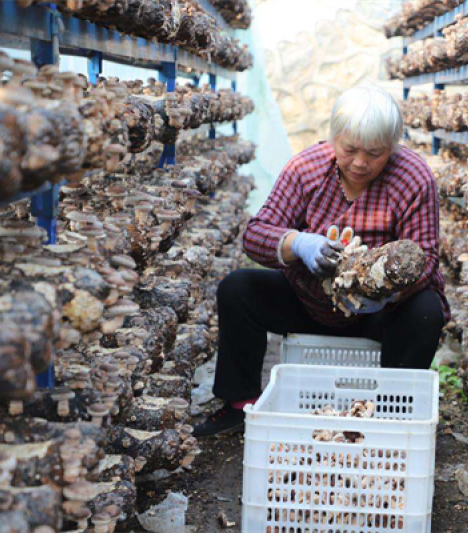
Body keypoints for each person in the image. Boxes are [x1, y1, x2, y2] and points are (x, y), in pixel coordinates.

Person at [193, 86, 450, 437]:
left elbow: (427, 257)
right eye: (349, 149)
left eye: (375, 153)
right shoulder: (307, 169)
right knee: (237, 288)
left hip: (379, 315)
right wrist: (297, 243)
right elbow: (255, 234)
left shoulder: (412, 177)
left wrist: (389, 294)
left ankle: (394, 414)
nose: (360, 162)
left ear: (392, 147)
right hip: (310, 299)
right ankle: (239, 404)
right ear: (334, 138)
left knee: (426, 310)